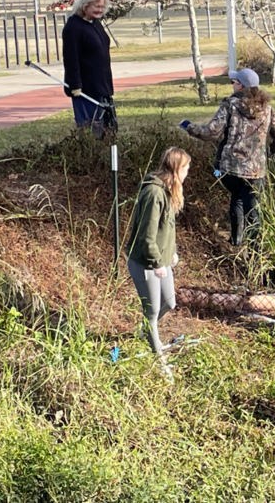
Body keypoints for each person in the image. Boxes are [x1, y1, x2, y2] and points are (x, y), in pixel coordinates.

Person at [180, 68, 275, 246]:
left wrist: (188, 126)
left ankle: (235, 241)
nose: (232, 85)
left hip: (229, 170)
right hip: (256, 172)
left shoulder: (230, 105)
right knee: (253, 209)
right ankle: (255, 252)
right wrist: (270, 152)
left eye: (234, 82)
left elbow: (211, 132)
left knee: (236, 198)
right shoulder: (267, 109)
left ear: (241, 86)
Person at [125, 147, 190, 377]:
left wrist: (171, 252)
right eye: (185, 168)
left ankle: (145, 332)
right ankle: (160, 363)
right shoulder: (154, 194)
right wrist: (157, 263)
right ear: (176, 169)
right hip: (145, 261)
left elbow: (167, 229)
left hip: (161, 259)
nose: (187, 172)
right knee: (151, 312)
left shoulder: (171, 190)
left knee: (169, 303)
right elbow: (146, 235)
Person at [62, 0, 115, 138]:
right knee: (90, 129)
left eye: (102, 7)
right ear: (86, 5)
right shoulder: (73, 27)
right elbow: (71, 58)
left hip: (101, 86)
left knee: (107, 128)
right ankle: (90, 156)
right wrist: (75, 85)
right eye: (96, 6)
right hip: (84, 89)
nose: (100, 10)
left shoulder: (95, 24)